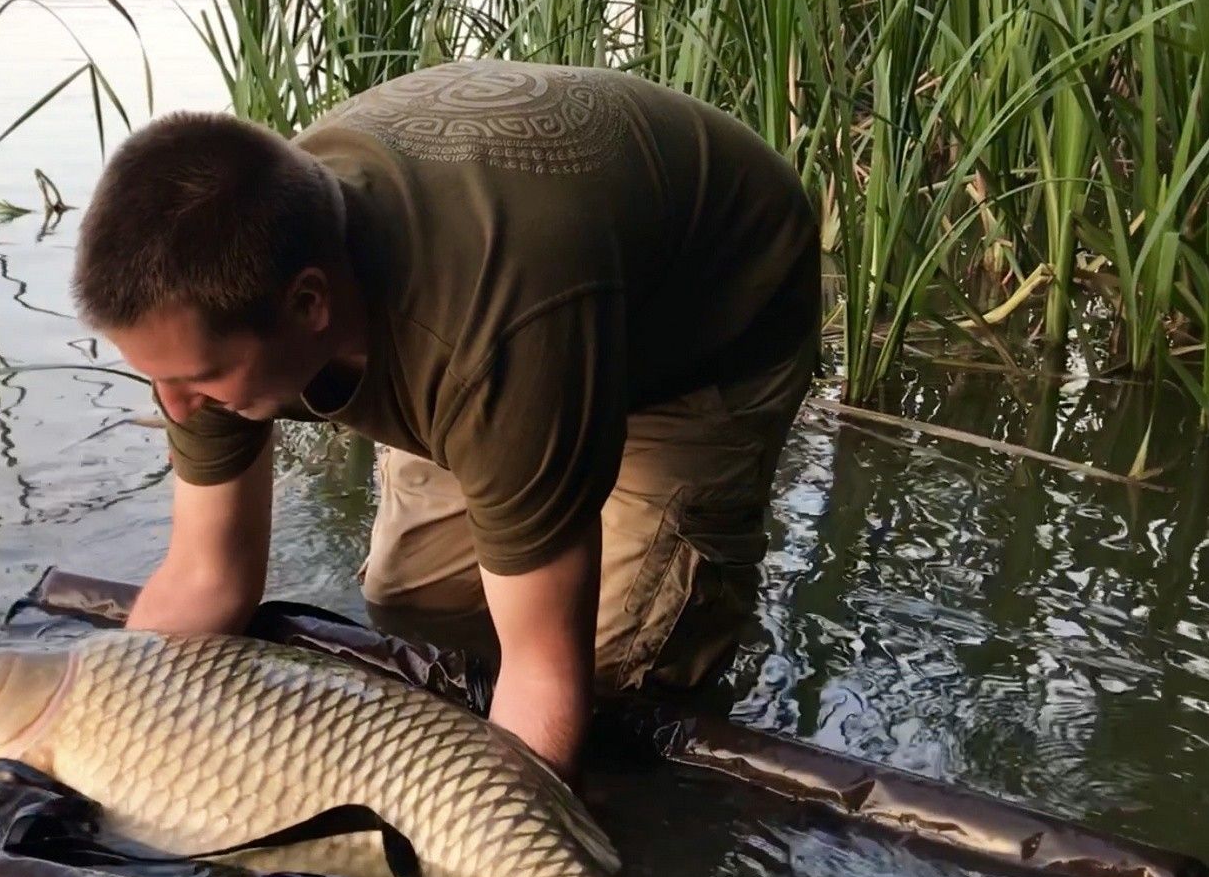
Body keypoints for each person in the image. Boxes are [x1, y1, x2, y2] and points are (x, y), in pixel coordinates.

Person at [69, 58, 820, 780]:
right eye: (156, 380)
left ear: (309, 306)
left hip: (711, 311)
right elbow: (207, 577)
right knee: (411, 602)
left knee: (618, 679)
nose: (172, 410)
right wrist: (96, 740)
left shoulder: (492, 343)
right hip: (501, 298)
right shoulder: (208, 308)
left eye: (196, 381)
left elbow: (546, 681)